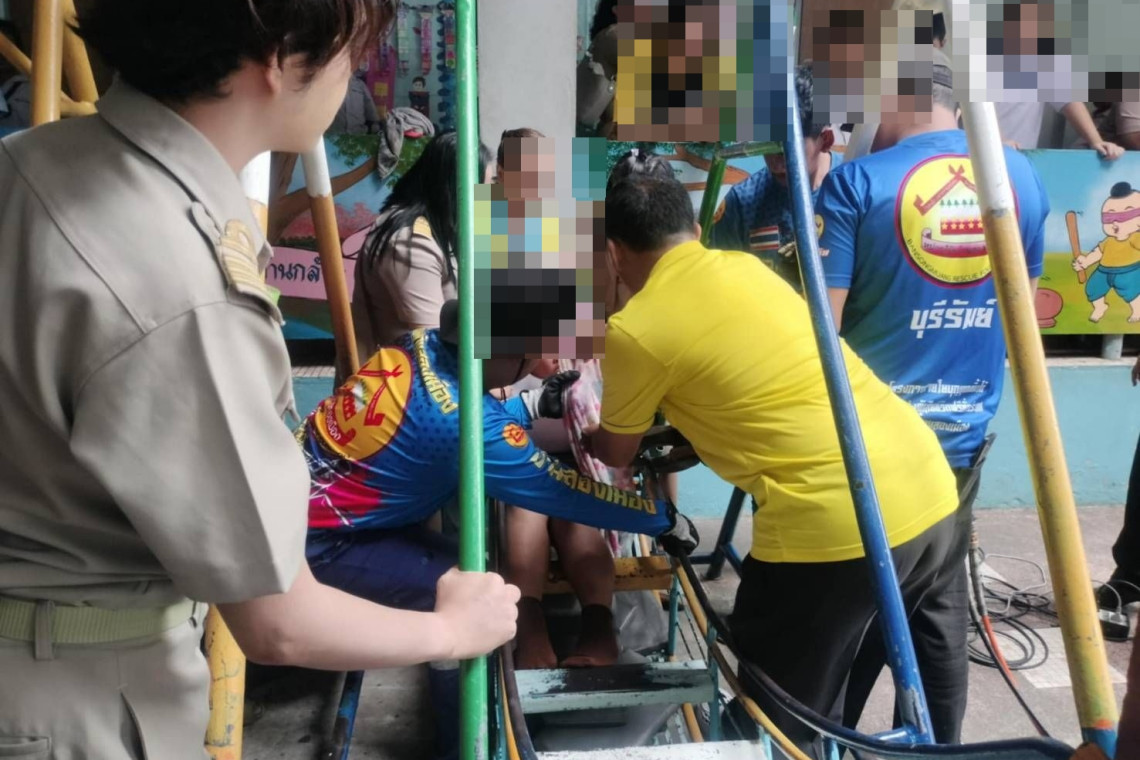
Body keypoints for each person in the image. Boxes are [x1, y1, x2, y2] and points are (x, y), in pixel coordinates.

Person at [0, 2, 522, 757]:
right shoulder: (186, 284)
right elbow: (278, 620)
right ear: (280, 57)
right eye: (352, 53)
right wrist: (452, 630)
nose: (352, 79)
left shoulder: (29, 162)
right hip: (78, 696)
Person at [585, 173, 963, 757]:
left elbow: (615, 452)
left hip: (837, 528)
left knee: (774, 710)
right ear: (694, 228)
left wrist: (581, 425)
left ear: (612, 253)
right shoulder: (749, 269)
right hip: (930, 488)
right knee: (838, 678)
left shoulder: (638, 329)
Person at [302, 299, 698, 760]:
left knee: (488, 556)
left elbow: (468, 411)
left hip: (309, 498)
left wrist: (531, 403)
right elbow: (560, 489)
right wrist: (660, 517)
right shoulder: (463, 425)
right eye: (534, 356)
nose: (542, 361)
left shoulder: (418, 346)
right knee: (460, 598)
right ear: (509, 357)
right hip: (323, 542)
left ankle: (566, 629)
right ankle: (462, 744)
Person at [817, 50, 1049, 742]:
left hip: (873, 445)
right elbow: (1024, 316)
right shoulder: (1018, 178)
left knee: (846, 610)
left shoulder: (858, 183)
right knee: (937, 609)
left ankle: (830, 742)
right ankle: (940, 749)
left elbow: (821, 332)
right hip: (963, 437)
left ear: (889, 98)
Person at [351, 129, 494, 360]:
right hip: (411, 375)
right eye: (483, 191)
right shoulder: (409, 242)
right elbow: (434, 341)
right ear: (454, 190)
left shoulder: (440, 227)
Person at [709, 62, 841, 290]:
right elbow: (718, 285)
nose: (776, 163)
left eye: (786, 151)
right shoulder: (742, 202)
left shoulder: (851, 191)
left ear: (826, 140)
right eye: (768, 146)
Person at [989, 0, 1122, 158]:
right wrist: (998, 141)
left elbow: (1069, 101)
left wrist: (1096, 142)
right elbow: (972, 108)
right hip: (973, 156)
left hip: (1018, 159)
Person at [327, 61, 380, 134]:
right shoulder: (328, 85)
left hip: (358, 133)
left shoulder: (360, 85)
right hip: (334, 134)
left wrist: (374, 126)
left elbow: (370, 110)